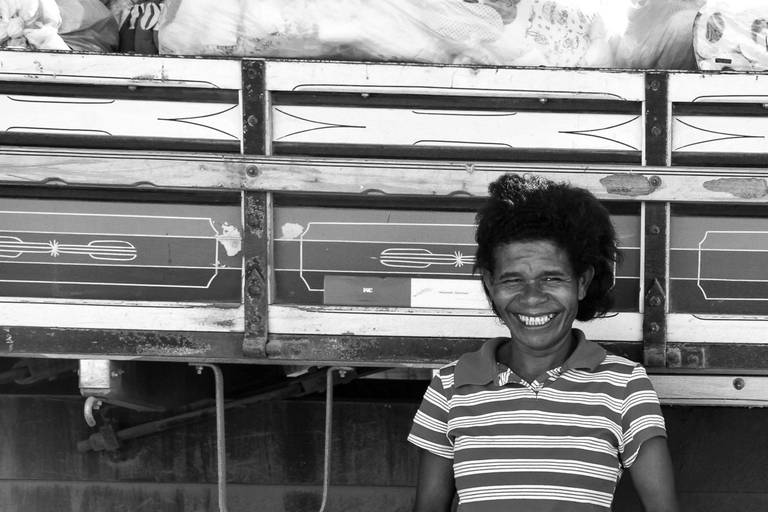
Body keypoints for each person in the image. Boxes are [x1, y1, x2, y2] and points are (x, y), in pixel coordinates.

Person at [408, 173, 677, 512]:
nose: (532, 298)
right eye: (513, 280)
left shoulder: (624, 385)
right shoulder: (450, 386)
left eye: (551, 278)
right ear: (490, 284)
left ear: (582, 283)